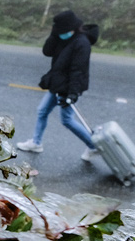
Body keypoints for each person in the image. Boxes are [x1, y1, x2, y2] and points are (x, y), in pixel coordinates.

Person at [16, 9, 101, 161]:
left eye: (61, 30)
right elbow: (47, 51)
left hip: (69, 88)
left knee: (67, 120)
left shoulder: (82, 43)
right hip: (57, 83)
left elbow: (78, 71)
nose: (60, 33)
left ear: (72, 28)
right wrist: (54, 35)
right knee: (42, 111)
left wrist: (73, 94)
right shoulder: (63, 38)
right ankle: (36, 143)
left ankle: (93, 146)